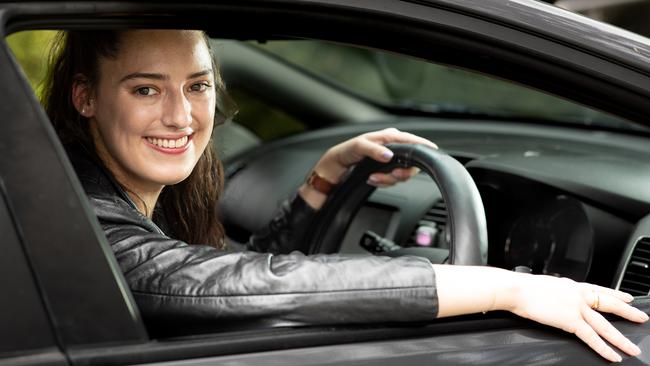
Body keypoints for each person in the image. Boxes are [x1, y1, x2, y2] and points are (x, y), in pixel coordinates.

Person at [41, 29, 646, 363]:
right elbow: (223, 284)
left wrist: (324, 181)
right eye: (146, 90)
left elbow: (228, 269)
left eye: (196, 85)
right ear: (84, 97)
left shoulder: (111, 193)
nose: (180, 115)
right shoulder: (76, 221)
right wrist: (507, 286)